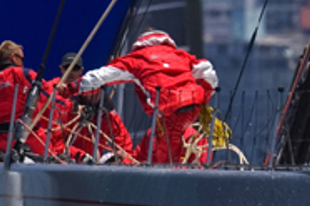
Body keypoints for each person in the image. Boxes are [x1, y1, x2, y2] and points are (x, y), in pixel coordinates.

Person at [78, 30, 218, 163]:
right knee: (172, 149)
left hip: (169, 110)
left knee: (165, 158)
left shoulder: (136, 59)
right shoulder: (180, 55)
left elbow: (91, 79)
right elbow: (208, 72)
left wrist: (87, 97)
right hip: (194, 104)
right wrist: (205, 99)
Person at [65, 89, 136, 163]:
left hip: (94, 163)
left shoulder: (107, 112)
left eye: (97, 90)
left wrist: (122, 161)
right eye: (90, 91)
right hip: (68, 163)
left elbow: (125, 146)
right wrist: (80, 156)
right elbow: (58, 145)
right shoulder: (67, 109)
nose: (94, 95)